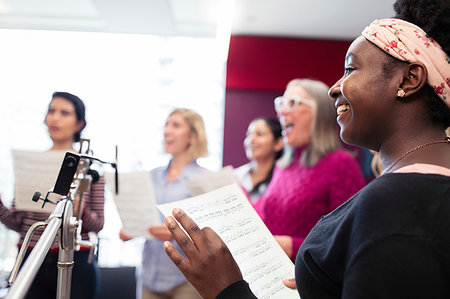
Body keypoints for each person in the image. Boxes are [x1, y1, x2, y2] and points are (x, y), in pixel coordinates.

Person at [160, 0, 450, 298]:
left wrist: (227, 290)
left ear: (409, 79)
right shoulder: (408, 196)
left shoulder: (398, 205)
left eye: (351, 69)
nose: (335, 87)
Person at [0, 92, 105, 299]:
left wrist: (78, 207)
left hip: (76, 260)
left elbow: (97, 225)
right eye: (51, 111)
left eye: (64, 113)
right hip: (30, 257)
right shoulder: (29, 165)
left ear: (78, 124)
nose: (55, 118)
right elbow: (15, 221)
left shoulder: (91, 168)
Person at [254, 78, 365, 261]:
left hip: (308, 280)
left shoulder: (340, 164)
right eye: (281, 102)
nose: (282, 111)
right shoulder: (283, 165)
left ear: (319, 113)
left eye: (293, 103)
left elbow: (348, 239)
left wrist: (292, 246)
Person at [121, 108, 209, 299]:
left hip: (187, 280)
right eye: (167, 125)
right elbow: (137, 217)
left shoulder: (205, 179)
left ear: (192, 136)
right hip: (148, 277)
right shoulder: (151, 176)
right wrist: (131, 227)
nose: (167, 131)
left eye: (176, 125)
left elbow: (211, 232)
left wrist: (179, 233)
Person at [233, 117, 283, 202]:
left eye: (260, 134)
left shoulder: (283, 181)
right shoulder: (235, 176)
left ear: (278, 143)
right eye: (248, 134)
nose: (251, 139)